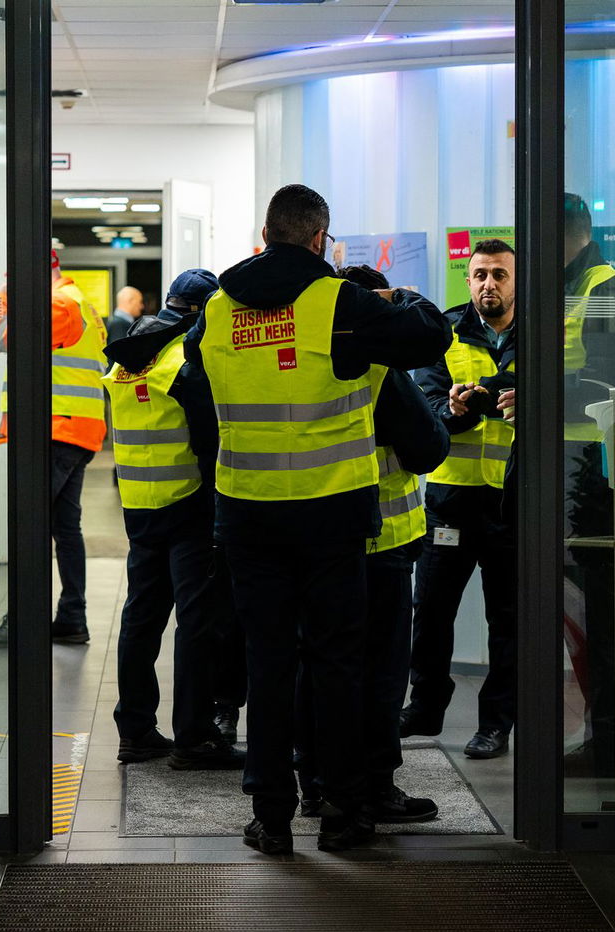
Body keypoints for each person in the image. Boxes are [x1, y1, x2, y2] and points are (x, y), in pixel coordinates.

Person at [183, 184, 451, 855]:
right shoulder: (338, 305)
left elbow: (194, 366)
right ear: (317, 237)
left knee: (269, 665)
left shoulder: (216, 310)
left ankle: (271, 817)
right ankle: (343, 813)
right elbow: (432, 334)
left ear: (264, 232)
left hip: (245, 514)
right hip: (330, 515)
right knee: (336, 664)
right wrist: (394, 300)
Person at [293, 264, 448, 824]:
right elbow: (428, 448)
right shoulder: (381, 369)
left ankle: (313, 782)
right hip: (382, 540)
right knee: (380, 671)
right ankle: (376, 786)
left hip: (314, 534)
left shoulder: (304, 361)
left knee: (319, 664)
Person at [101, 269, 247, 770]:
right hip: (189, 506)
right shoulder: (187, 360)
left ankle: (136, 730)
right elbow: (212, 445)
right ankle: (195, 736)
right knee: (197, 624)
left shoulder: (128, 358)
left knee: (141, 619)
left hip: (141, 508)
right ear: (203, 310)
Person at [402, 238, 519, 759]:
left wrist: (488, 393)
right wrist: (464, 408)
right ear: (467, 280)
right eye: (479, 275)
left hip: (514, 500)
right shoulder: (444, 332)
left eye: (498, 274)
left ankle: (496, 723)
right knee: (430, 612)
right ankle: (424, 708)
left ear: (516, 281)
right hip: (451, 498)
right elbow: (427, 408)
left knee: (508, 620)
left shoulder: (542, 331)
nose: (488, 283)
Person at [561, 193, 615, 775]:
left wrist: (539, 394)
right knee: (581, 616)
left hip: (593, 474)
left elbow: (609, 383)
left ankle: (611, 742)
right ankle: (603, 736)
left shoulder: (601, 291)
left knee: (601, 618)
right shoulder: (569, 286)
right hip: (568, 470)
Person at [0, 254, 111, 643]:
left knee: (30, 524)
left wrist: (3, 296)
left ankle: (22, 620)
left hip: (57, 428)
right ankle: (72, 618)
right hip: (72, 430)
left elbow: (0, 337)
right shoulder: (79, 303)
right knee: (64, 527)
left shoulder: (60, 304)